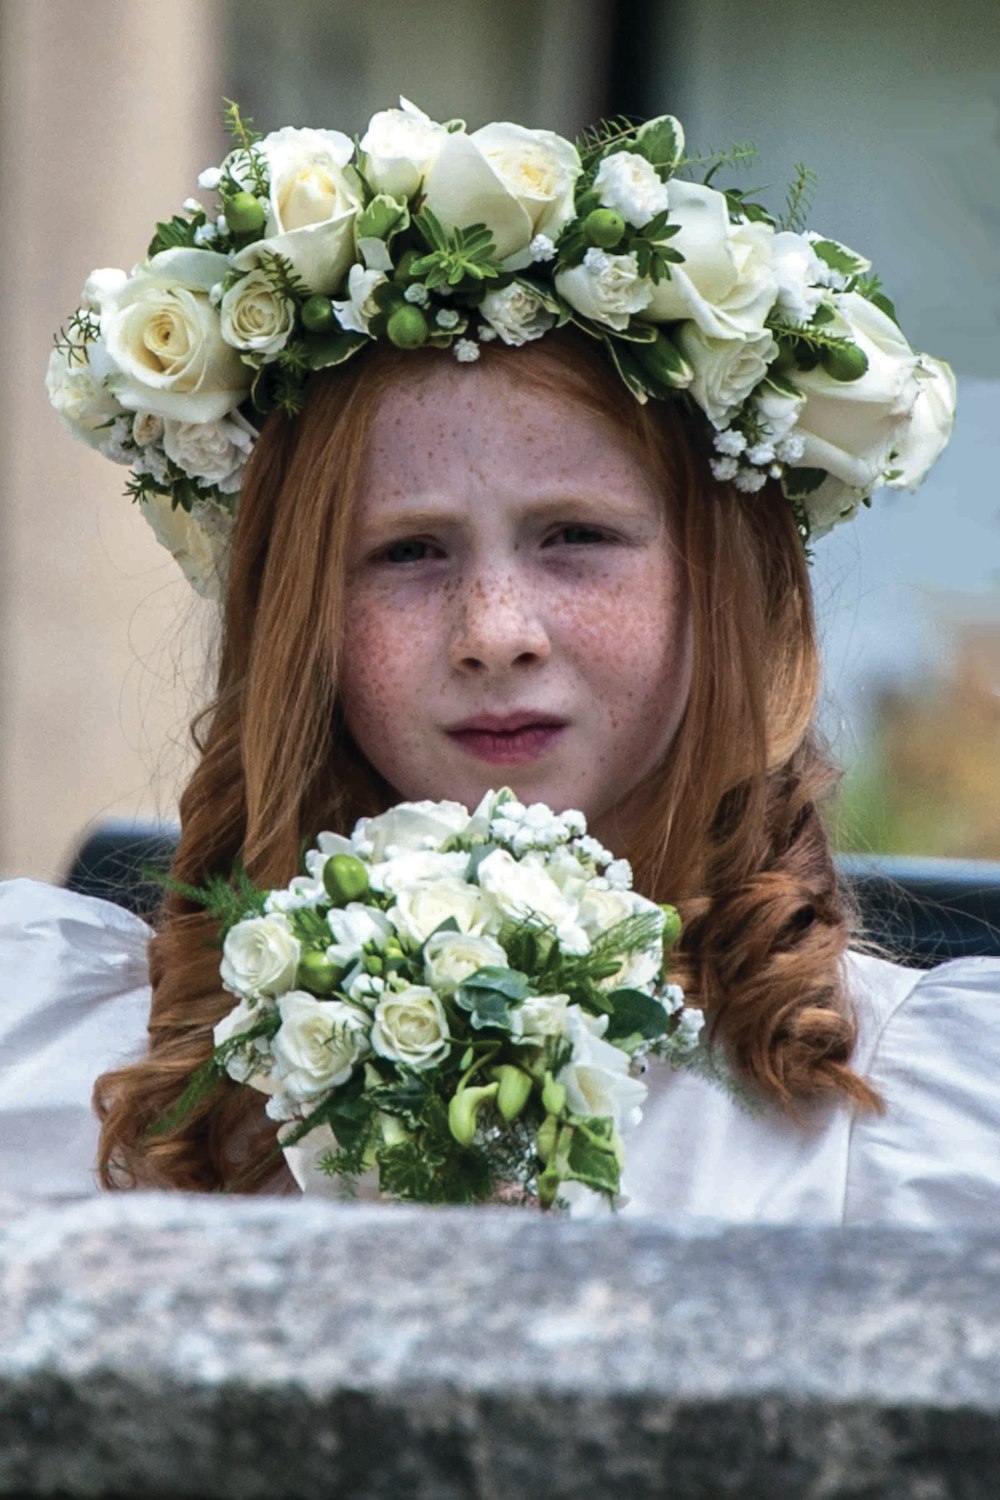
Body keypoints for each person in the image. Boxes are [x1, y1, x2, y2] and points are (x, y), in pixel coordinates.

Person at [2, 101, 997, 1219]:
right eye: (405, 552)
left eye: (575, 537)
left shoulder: (913, 1119)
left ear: (725, 591)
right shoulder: (53, 1061)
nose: (492, 630)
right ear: (298, 620)